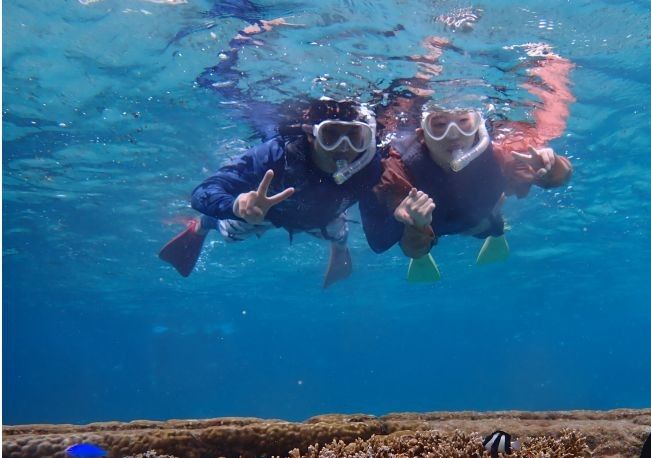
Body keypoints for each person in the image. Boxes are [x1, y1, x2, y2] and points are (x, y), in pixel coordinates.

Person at [362, 45, 575, 282]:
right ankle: (438, 241)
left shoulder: (500, 153)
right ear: (423, 132)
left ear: (479, 126)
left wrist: (553, 167)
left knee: (486, 218)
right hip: (432, 224)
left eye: (464, 122)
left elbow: (559, 178)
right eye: (440, 125)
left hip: (477, 214)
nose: (453, 135)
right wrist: (413, 226)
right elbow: (405, 242)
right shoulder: (399, 166)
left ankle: (494, 229)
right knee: (415, 241)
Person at [158, 98, 381, 287]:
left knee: (339, 232)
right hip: (266, 212)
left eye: (354, 136)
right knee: (232, 233)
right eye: (330, 136)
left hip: (322, 216)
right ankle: (203, 225)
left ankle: (339, 248)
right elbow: (203, 192)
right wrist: (237, 205)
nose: (344, 148)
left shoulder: (370, 166)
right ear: (311, 135)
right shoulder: (276, 154)